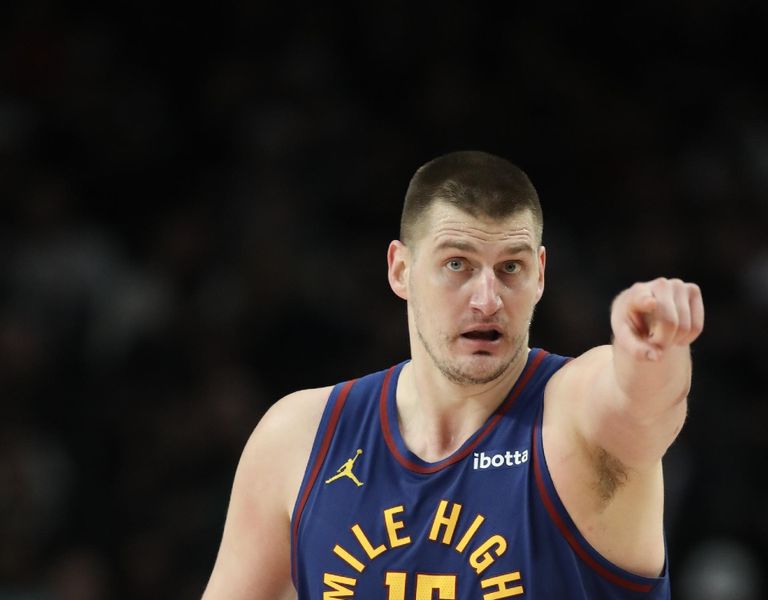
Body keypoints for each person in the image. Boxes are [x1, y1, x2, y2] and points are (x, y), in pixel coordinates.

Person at [202, 150, 704, 599]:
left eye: (510, 268)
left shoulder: (571, 415)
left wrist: (656, 348)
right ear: (400, 270)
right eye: (458, 264)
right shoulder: (298, 437)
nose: (487, 300)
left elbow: (643, 408)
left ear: (541, 275)